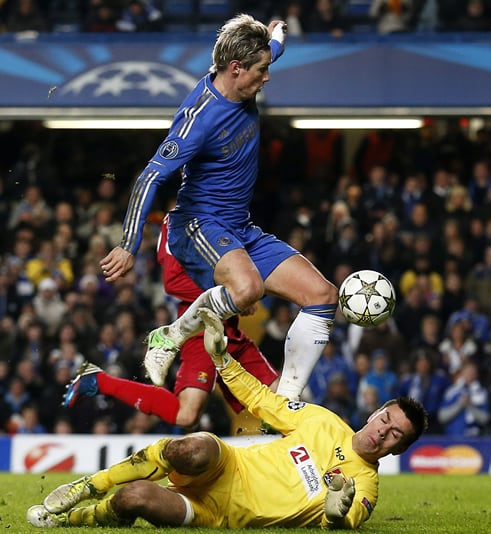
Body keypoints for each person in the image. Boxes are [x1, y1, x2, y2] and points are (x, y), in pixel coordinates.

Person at [99, 13, 338, 401]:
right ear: (235, 68)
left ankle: (285, 404)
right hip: (197, 224)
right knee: (247, 291)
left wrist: (277, 29)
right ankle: (171, 335)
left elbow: (273, 47)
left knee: (322, 295)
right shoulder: (198, 120)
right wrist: (128, 245)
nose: (268, 76)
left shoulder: (245, 75)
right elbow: (148, 179)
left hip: (239, 227)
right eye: (261, 70)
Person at [27, 308, 428, 530]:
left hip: (219, 516)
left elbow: (346, 520)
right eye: (386, 418)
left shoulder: (366, 485)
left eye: (395, 434)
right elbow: (259, 398)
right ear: (376, 411)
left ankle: (79, 519)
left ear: (398, 450)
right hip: (228, 465)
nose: (383, 432)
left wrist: (338, 514)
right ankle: (88, 486)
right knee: (194, 445)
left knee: (135, 499)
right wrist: (221, 357)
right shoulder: (322, 421)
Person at [64, 217, 278, 429]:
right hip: (200, 326)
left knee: (282, 399)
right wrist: (233, 294)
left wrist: (239, 292)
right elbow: (174, 281)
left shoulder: (206, 210)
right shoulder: (188, 217)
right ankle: (99, 381)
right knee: (187, 415)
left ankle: (294, 455)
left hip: (226, 325)